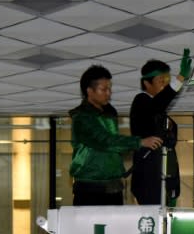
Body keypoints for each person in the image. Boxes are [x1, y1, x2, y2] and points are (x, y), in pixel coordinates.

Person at [69, 64, 163, 206]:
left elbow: (112, 143)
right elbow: (106, 141)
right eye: (103, 89)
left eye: (110, 88)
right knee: (91, 228)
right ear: (89, 91)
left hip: (113, 187)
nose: (109, 93)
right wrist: (139, 142)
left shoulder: (109, 113)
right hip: (90, 189)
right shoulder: (82, 118)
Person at [129, 49, 191, 206]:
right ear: (147, 83)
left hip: (165, 174)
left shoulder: (161, 111)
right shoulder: (141, 101)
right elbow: (157, 105)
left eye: (167, 81)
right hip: (149, 176)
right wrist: (179, 79)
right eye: (161, 81)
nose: (165, 86)